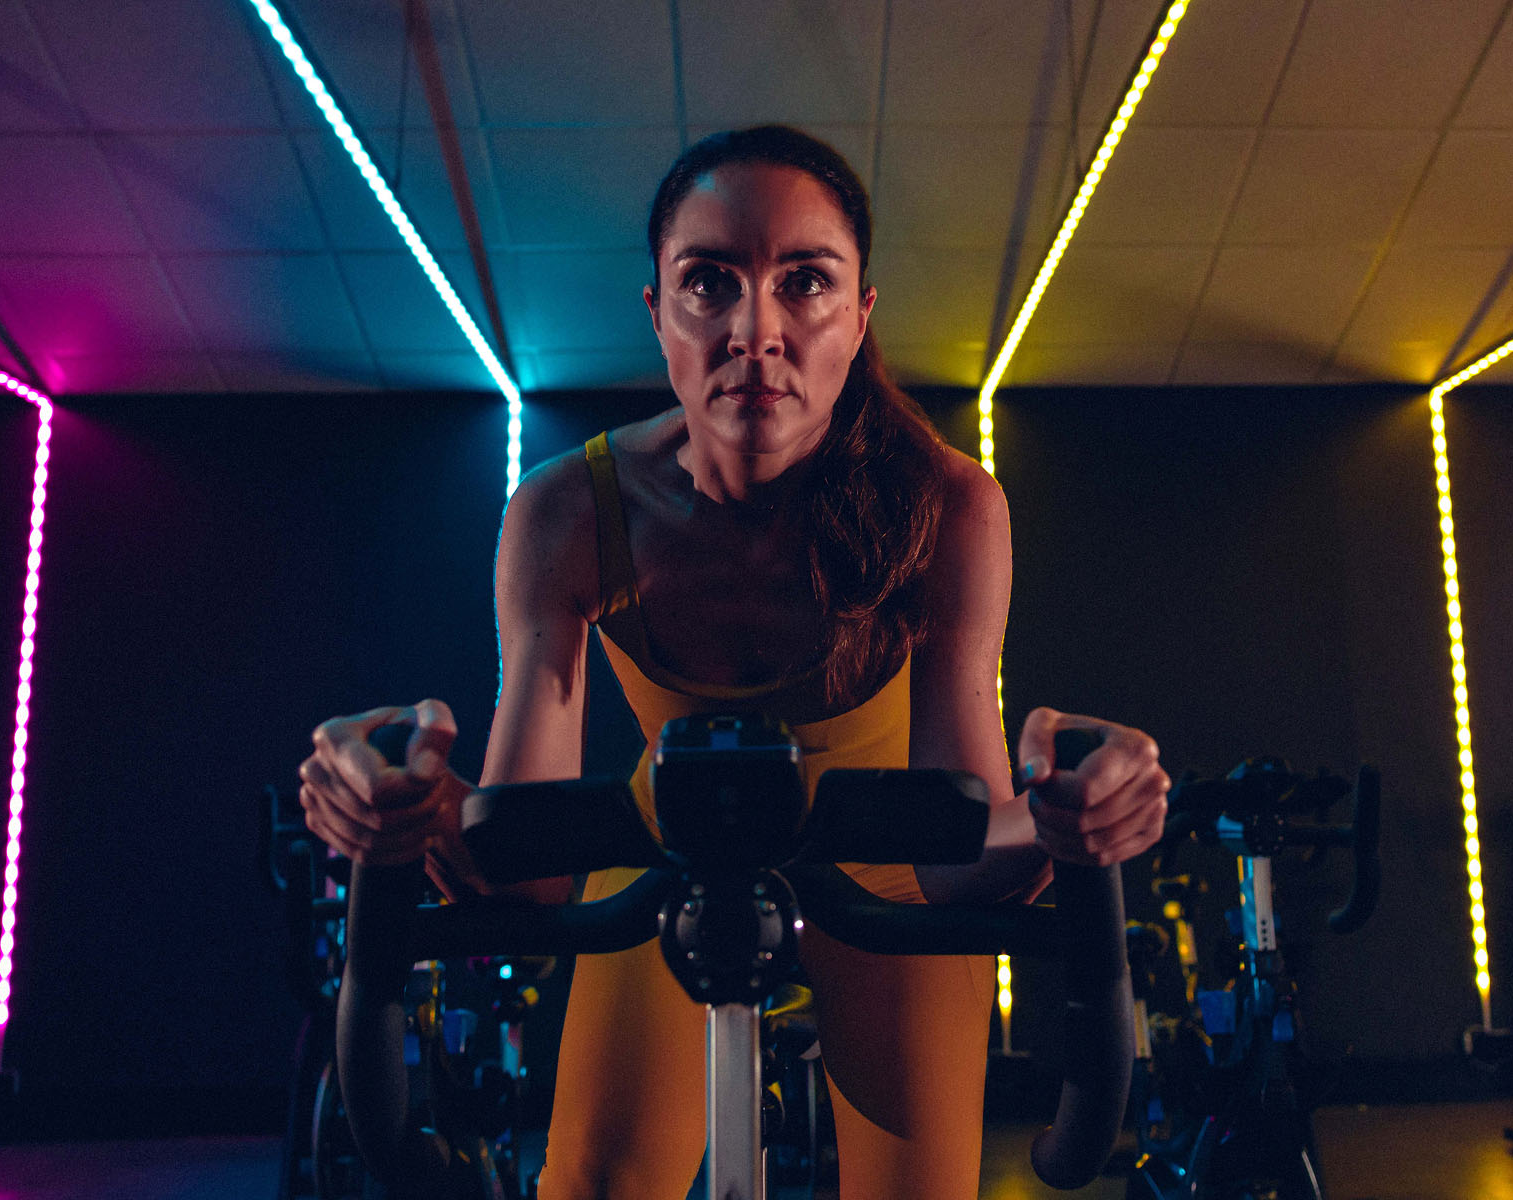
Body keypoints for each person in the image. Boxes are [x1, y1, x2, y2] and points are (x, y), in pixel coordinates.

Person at [297, 125, 1169, 1200]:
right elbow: (525, 859)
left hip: (891, 856)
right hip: (666, 842)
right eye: (711, 283)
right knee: (596, 1187)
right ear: (658, 313)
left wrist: (1071, 818)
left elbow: (954, 845)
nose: (757, 332)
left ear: (859, 318)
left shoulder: (947, 504)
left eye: (805, 284)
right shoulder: (569, 513)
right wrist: (410, 809)